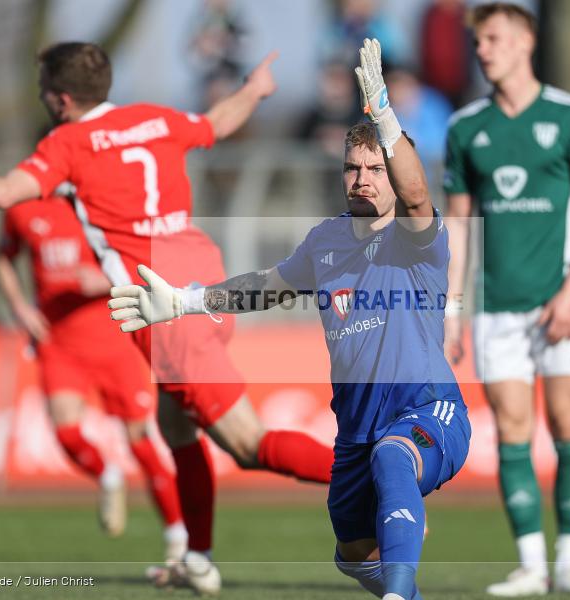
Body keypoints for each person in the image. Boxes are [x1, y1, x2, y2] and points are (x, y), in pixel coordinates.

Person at [0, 41, 334, 594]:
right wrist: (254, 90)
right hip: (203, 280)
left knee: (249, 445)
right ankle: (197, 559)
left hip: (165, 312)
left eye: (44, 90)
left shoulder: (69, 142)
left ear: (61, 99)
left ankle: (377, 483)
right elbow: (217, 122)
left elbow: (3, 192)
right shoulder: (152, 118)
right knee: (175, 428)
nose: (43, 99)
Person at [109, 39, 471, 600]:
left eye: (376, 168)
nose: (362, 179)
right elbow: (264, 288)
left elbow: (419, 194)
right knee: (353, 555)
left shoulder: (416, 239)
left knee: (394, 456)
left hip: (427, 409)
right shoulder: (325, 242)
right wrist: (184, 302)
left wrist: (383, 114)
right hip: (356, 428)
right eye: (352, 168)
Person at [443, 3, 570, 595]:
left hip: (562, 302)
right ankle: (532, 566)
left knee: (567, 424)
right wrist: (452, 310)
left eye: (492, 38)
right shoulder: (466, 128)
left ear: (524, 41)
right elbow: (458, 227)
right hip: (496, 308)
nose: (482, 50)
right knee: (512, 431)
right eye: (477, 41)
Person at [0, 189, 188, 558]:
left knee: (142, 441)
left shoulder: (105, 201)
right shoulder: (23, 207)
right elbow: (2, 258)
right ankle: (107, 475)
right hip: (59, 342)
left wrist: (104, 281)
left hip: (117, 340)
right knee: (65, 430)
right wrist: (19, 307)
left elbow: (151, 263)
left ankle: (178, 536)